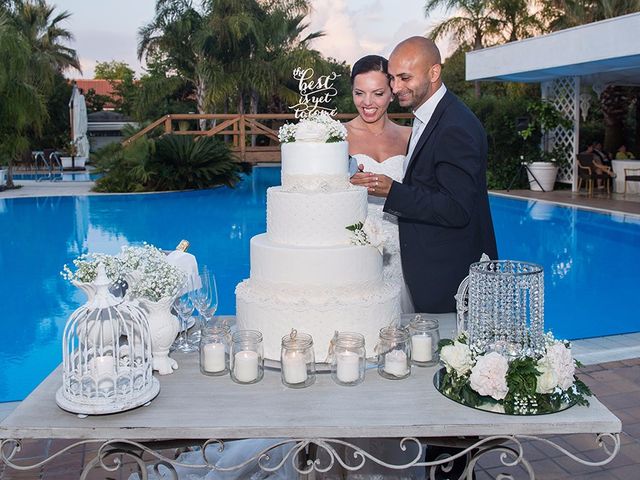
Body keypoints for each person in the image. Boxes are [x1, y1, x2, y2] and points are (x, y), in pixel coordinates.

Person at [351, 36, 498, 314]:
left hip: (448, 275)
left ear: (433, 72)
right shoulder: (425, 117)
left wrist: (392, 191)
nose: (396, 87)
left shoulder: (455, 125)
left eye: (405, 77)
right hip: (417, 264)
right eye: (393, 78)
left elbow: (456, 208)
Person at [345, 54, 414, 313]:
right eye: (359, 93)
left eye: (377, 93)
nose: (367, 103)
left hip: (404, 246)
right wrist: (346, 184)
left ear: (392, 92)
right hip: (357, 248)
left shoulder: (410, 135)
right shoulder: (337, 136)